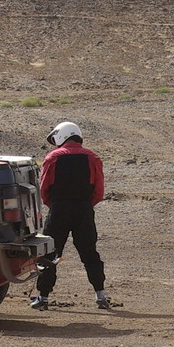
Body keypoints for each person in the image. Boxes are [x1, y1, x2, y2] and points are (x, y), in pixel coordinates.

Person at [30, 122, 110, 310]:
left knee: (49, 254)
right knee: (89, 252)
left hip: (59, 210)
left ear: (61, 136)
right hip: (83, 210)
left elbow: (43, 190)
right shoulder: (93, 157)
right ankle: (101, 294)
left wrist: (55, 205)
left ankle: (43, 297)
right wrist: (85, 205)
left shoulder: (53, 157)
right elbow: (99, 191)